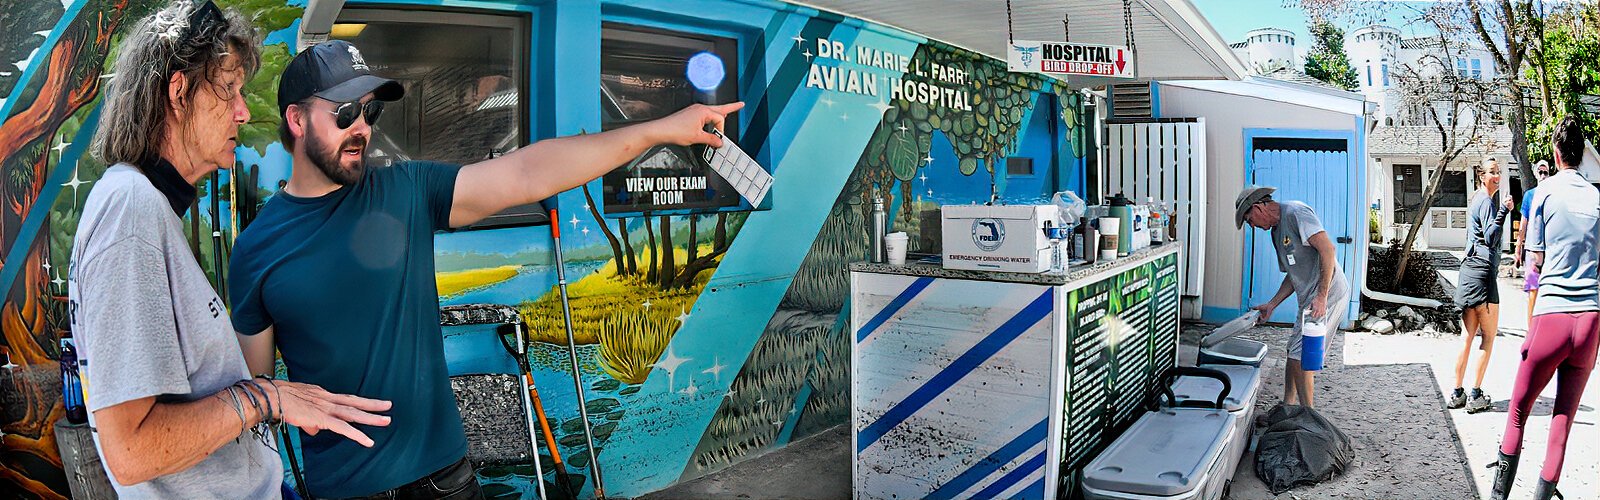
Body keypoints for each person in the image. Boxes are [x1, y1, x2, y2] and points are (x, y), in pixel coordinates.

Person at [227, 39, 742, 498]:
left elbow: (528, 171)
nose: (361, 128)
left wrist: (662, 129)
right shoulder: (255, 251)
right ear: (296, 121)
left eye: (369, 114)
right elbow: (257, 392)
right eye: (345, 113)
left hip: (444, 477)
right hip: (342, 490)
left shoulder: (404, 191)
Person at [68, 2, 390, 497]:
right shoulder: (129, 212)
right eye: (230, 91)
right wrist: (269, 396)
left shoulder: (145, 206)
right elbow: (131, 451)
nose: (243, 111)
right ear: (179, 92)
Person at [1489, 116, 1599, 500]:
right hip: (1590, 321)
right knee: (1563, 421)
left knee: (1519, 408)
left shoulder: (1546, 193)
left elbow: (1534, 262)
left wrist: (1532, 327)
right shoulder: (1597, 198)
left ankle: (1499, 495)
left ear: (1554, 154)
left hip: (1552, 312)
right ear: (1583, 156)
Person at [1236, 186, 1350, 408]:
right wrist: (1272, 304)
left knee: (1303, 356)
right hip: (1309, 299)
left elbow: (1328, 250)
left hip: (1329, 294)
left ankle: (1308, 417)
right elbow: (1292, 274)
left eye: (1250, 220)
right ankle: (1288, 407)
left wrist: (1322, 296)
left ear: (1258, 207)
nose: (1252, 226)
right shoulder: (1276, 233)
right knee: (1293, 352)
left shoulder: (1296, 212)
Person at [1447, 158, 1514, 413]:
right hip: (1483, 274)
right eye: (1492, 173)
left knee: (1466, 336)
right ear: (1481, 176)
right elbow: (1490, 236)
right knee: (1488, 337)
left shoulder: (1476, 198)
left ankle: (1457, 393)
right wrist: (1504, 211)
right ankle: (1475, 395)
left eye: (1499, 172)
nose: (1497, 176)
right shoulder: (1487, 201)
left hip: (1467, 271)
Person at [1515, 160, 1553, 325]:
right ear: (1536, 174)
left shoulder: (1553, 195)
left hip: (1550, 250)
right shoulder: (1530, 195)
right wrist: (1518, 247)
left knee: (1548, 291)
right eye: (1540, 172)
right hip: (1532, 250)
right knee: (1532, 290)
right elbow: (1523, 223)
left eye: (1546, 172)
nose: (1543, 175)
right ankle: (1530, 328)